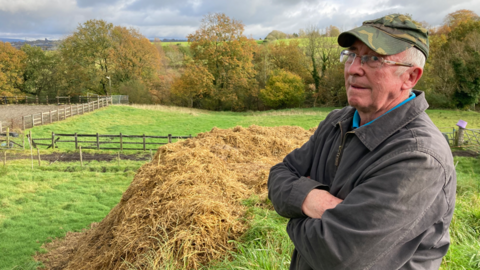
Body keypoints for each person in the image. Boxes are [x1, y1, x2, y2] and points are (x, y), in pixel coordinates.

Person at [268, 14, 456, 270]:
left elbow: (336, 256)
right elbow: (279, 174)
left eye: (374, 59)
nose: (354, 68)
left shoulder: (419, 156)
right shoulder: (337, 121)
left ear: (410, 77)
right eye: (352, 54)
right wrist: (309, 200)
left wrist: (292, 213)